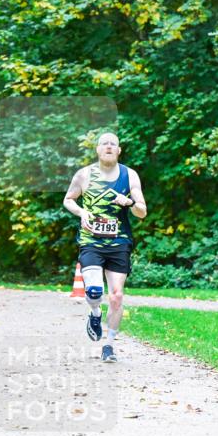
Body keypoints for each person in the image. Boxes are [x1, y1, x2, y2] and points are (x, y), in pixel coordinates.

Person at [63, 132, 147, 362]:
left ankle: (109, 345)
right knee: (93, 292)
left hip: (119, 243)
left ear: (119, 150)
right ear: (98, 150)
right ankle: (95, 312)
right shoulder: (84, 175)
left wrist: (129, 202)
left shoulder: (129, 176)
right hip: (91, 242)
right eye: (104, 144)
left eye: (113, 144)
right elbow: (68, 199)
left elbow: (142, 212)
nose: (109, 147)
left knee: (117, 296)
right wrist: (82, 212)